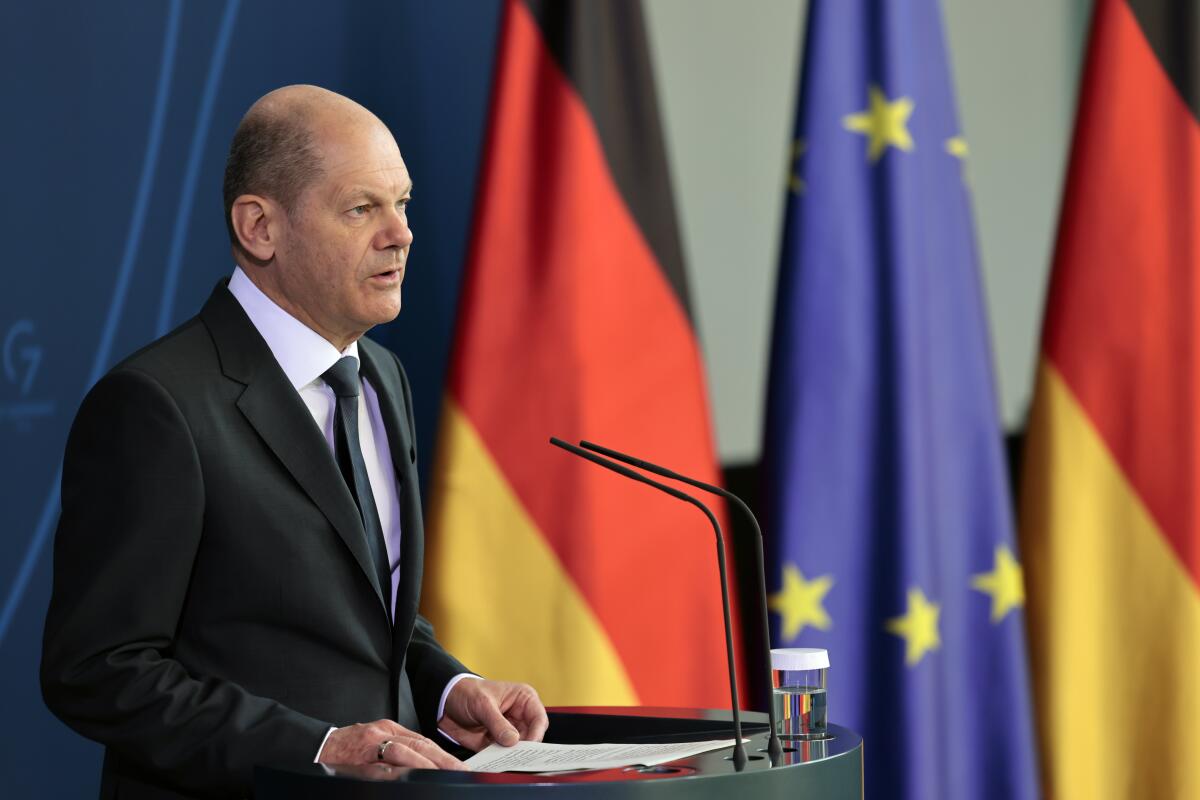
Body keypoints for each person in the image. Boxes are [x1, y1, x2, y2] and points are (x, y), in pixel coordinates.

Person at [41, 85, 548, 799]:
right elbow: (98, 669)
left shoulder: (381, 378)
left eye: (401, 203)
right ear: (260, 228)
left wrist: (445, 687)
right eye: (361, 208)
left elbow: (357, 609)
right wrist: (318, 748)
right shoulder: (157, 406)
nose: (400, 233)